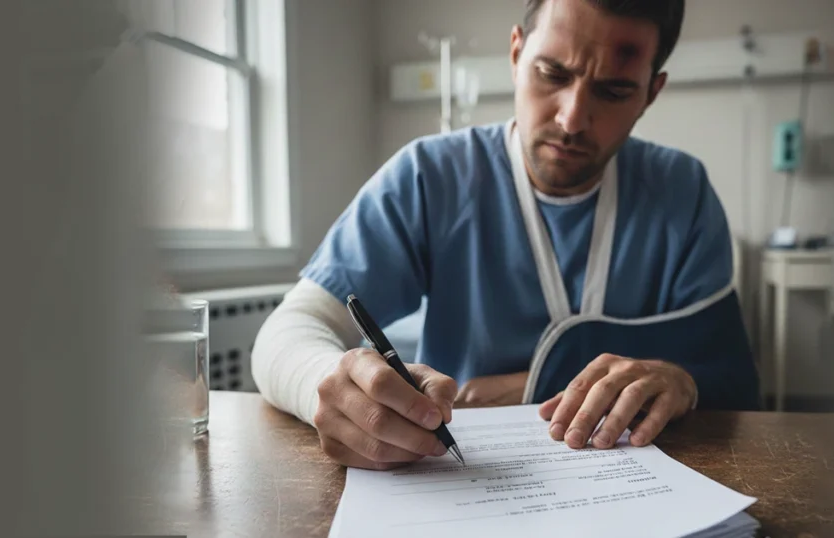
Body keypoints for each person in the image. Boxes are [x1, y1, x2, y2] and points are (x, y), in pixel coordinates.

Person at [251, 0, 760, 471]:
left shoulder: (683, 193)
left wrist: (681, 380)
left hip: (636, 477)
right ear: (516, 54)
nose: (572, 118)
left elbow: (730, 379)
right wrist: (330, 384)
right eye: (552, 74)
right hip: (461, 479)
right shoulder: (430, 178)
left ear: (651, 92)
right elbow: (289, 329)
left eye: (614, 90)